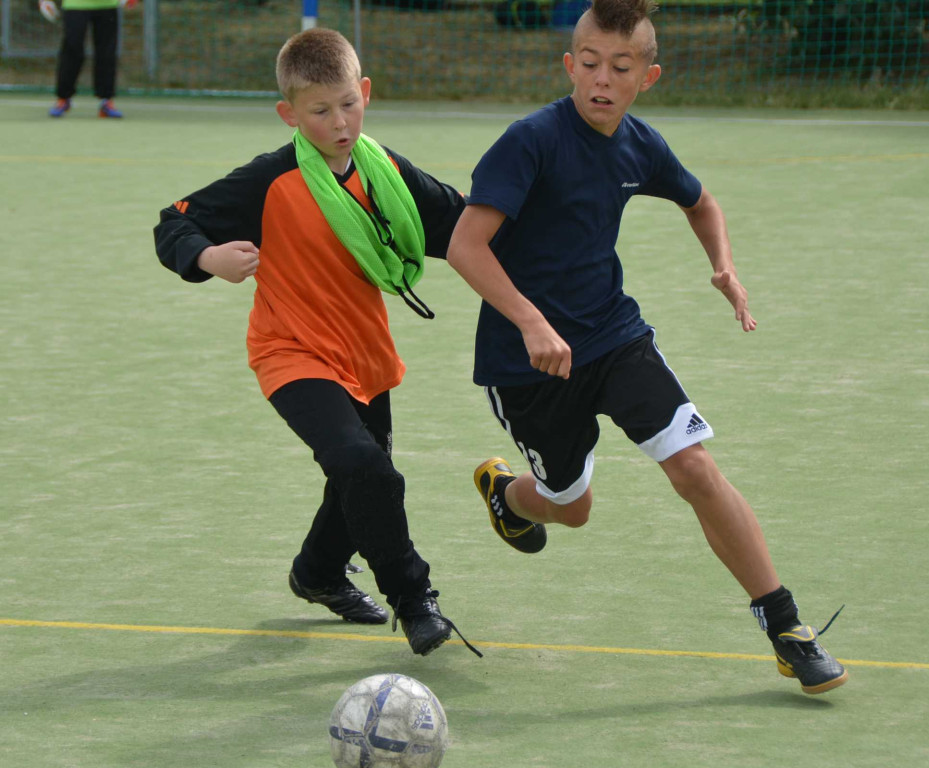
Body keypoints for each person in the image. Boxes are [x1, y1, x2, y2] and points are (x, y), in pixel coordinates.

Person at [446, 0, 845, 692]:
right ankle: (510, 495)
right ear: (570, 66)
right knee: (570, 507)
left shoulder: (640, 145)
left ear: (647, 77)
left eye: (620, 67)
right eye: (590, 64)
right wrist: (532, 322)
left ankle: (786, 626)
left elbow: (701, 201)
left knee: (693, 467)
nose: (602, 79)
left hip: (614, 336)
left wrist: (722, 264)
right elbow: (464, 246)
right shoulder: (530, 140)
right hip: (527, 363)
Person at [154, 28, 479, 658]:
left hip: (365, 354)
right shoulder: (270, 179)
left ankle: (318, 574)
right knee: (364, 467)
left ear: (364, 93)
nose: (339, 122)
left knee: (358, 478)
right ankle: (415, 599)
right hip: (291, 354)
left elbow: (462, 225)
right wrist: (207, 257)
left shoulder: (387, 171)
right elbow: (176, 222)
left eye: (347, 105)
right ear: (290, 114)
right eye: (319, 111)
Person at [39, 0, 135, 118]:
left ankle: (106, 100)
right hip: (75, 5)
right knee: (72, 49)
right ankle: (63, 98)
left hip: (107, 5)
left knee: (107, 53)